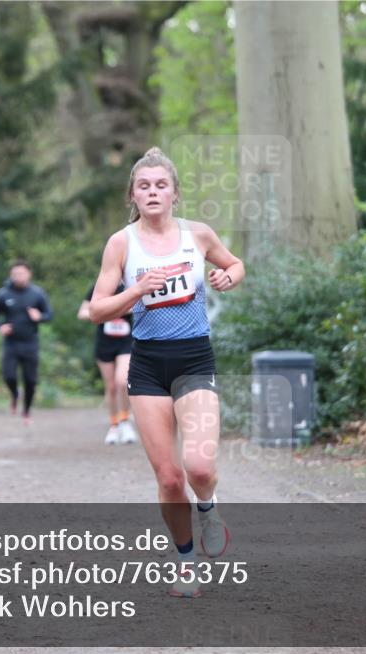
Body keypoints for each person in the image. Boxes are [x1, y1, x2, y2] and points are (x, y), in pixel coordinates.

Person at [89, 147, 245, 598]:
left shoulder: (197, 235)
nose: (153, 192)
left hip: (195, 358)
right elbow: (98, 310)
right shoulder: (121, 243)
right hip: (149, 364)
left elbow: (235, 264)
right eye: (144, 186)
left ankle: (209, 508)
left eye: (161, 185)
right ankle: (185, 563)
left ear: (175, 194)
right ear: (132, 196)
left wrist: (228, 277)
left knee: (197, 467)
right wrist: (136, 289)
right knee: (169, 477)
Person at [0, 260, 52, 426]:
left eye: (21, 273)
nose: (18, 277)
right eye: (15, 274)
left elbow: (49, 315)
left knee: (30, 380)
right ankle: (15, 394)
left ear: (29, 274)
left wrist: (39, 317)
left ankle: (26, 411)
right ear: (11, 275)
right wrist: (0, 327)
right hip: (10, 343)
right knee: (9, 376)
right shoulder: (4, 294)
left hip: (30, 343)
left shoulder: (37, 294)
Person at [78, 282, 138, 445]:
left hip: (126, 342)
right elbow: (83, 313)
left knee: (122, 381)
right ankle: (114, 425)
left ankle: (125, 421)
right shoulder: (99, 287)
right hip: (105, 344)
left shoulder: (132, 285)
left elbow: (140, 307)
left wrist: (116, 309)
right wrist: (102, 312)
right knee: (111, 387)